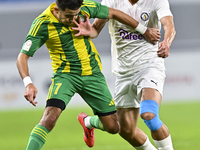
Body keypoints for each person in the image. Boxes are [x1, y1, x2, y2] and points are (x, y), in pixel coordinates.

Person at [16, 0, 161, 149]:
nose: (73, 20)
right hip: (66, 76)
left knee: (114, 127)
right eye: (68, 16)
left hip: (93, 75)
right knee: (49, 118)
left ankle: (88, 122)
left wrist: (144, 30)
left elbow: (113, 12)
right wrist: (28, 83)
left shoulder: (85, 7)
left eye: (76, 15)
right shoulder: (42, 24)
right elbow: (22, 56)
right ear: (56, 10)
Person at [73, 0, 176, 149]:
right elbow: (96, 29)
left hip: (150, 64)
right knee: (126, 130)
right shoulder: (111, 1)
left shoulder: (156, 1)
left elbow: (169, 25)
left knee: (149, 115)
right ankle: (88, 121)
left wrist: (166, 42)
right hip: (124, 71)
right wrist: (89, 31)